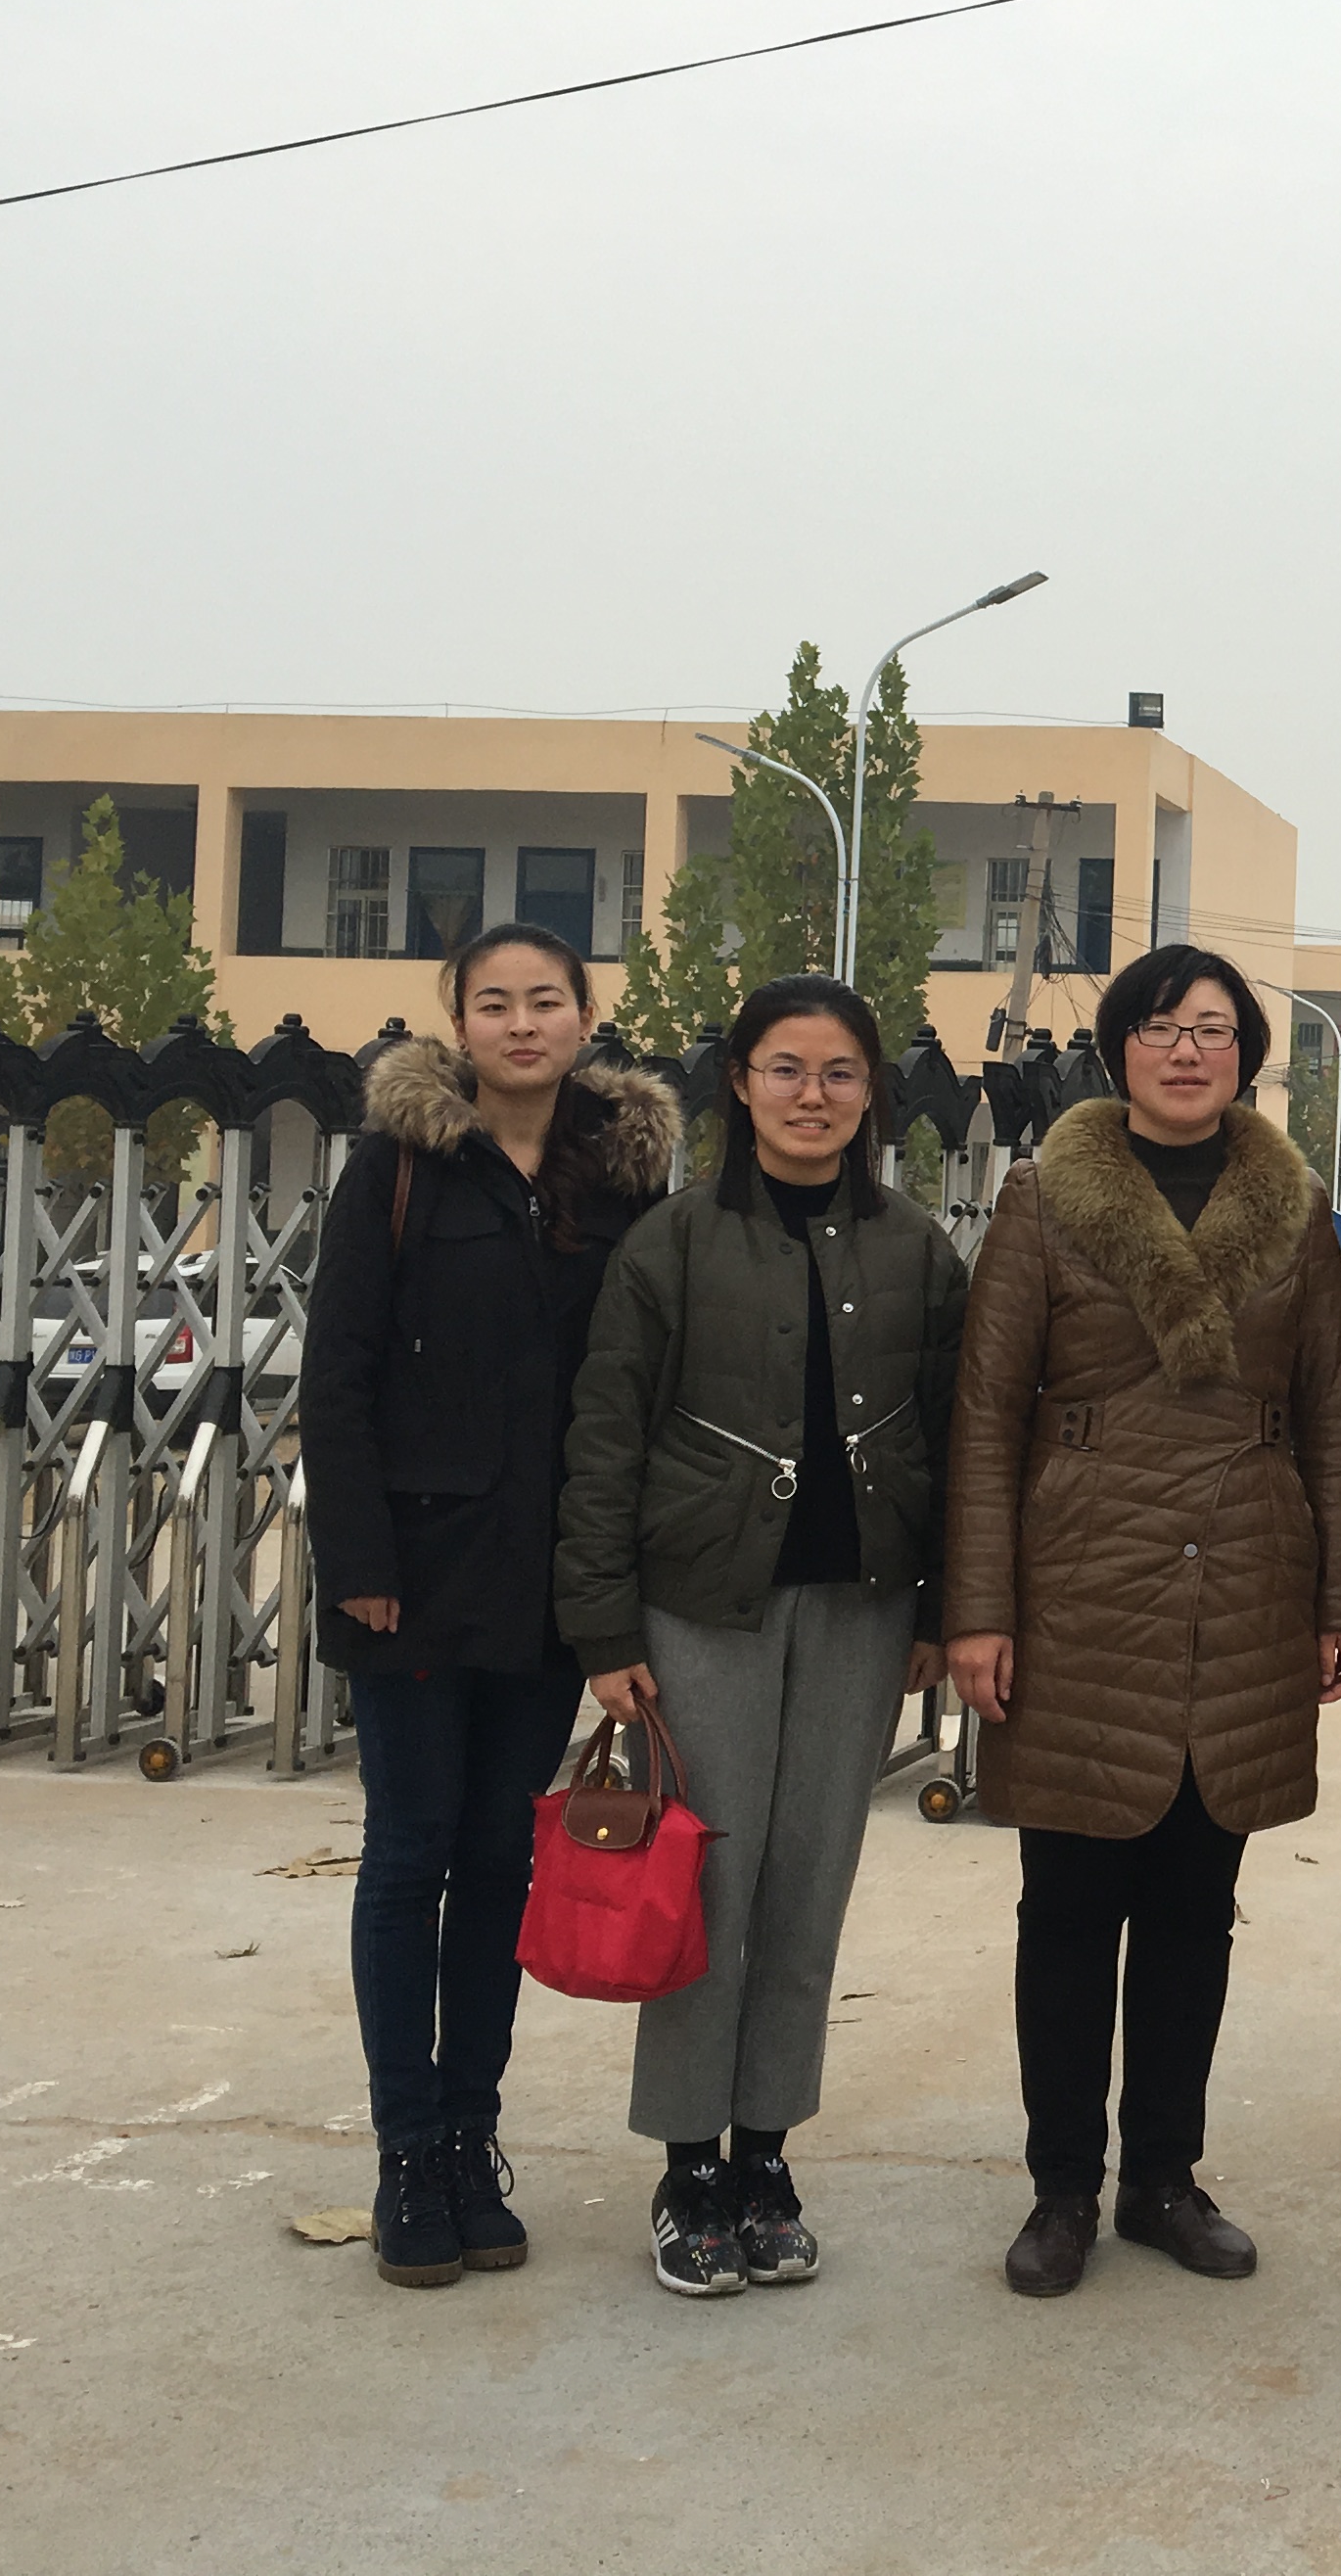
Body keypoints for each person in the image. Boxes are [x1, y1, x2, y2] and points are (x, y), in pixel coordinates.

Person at [942, 944, 1341, 2298]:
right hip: (1080, 1585)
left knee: (1197, 1911)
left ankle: (1165, 2181)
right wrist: (979, 1610)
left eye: (1216, 1029)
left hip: (1244, 1579)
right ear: (1118, 1047)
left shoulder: (1295, 1209)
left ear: (1247, 1055)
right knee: (1068, 1912)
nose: (1189, 1050)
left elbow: (1334, 1412)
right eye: (1163, 1026)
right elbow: (985, 1413)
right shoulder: (1042, 1199)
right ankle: (1063, 2187)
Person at [553, 973, 967, 2299]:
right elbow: (605, 1439)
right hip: (700, 1608)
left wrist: (940, 1612)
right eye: (785, 1068)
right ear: (740, 1082)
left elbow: (956, 1442)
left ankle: (767, 2155)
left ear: (872, 1094)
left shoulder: (915, 1247)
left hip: (860, 1610)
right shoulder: (671, 1242)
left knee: (808, 1883)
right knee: (709, 1885)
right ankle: (688, 2167)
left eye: (840, 1073)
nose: (812, 1096)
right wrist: (604, 1626)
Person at [301, 921, 676, 2290]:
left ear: (586, 1017)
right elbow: (336, 1374)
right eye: (496, 1002)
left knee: (502, 1864)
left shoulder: (624, 1175)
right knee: (411, 1856)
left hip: (547, 1580)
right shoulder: (398, 1165)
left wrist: (618, 1581)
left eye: (547, 1001)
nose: (523, 1024)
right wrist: (359, 1562)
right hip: (410, 1577)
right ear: (456, 1020)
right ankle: (407, 2155)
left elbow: (641, 1385)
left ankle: (473, 2142)